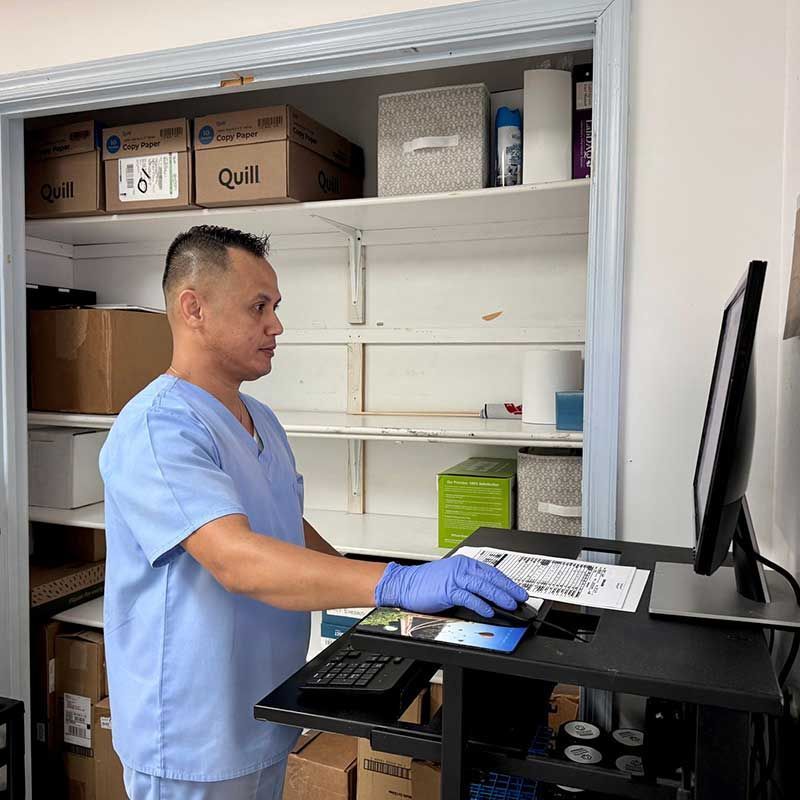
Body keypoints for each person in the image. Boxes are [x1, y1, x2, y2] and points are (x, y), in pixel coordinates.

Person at [99, 225, 527, 800]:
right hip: (190, 738)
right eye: (258, 307)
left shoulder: (261, 422)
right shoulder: (158, 428)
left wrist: (395, 593)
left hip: (263, 715)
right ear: (193, 308)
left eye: (275, 307)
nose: (276, 325)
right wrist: (393, 583)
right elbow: (237, 560)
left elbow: (282, 527)